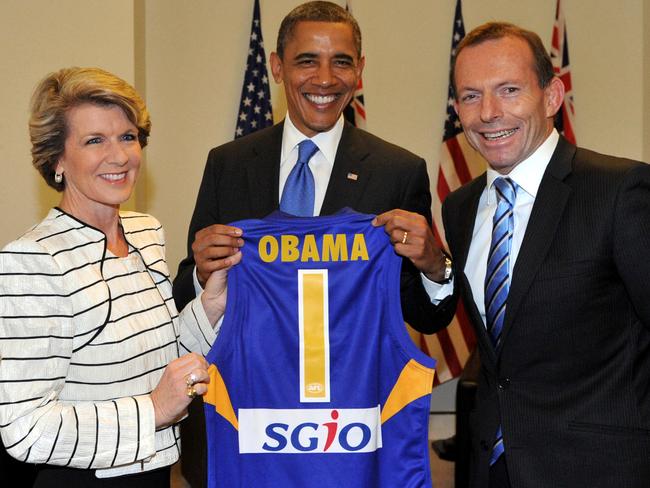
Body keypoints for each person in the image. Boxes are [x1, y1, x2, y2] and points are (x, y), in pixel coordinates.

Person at [172, 2, 456, 485]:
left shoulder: (397, 171)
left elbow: (424, 314)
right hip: (249, 429)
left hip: (349, 444)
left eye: (341, 61)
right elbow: (186, 290)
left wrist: (434, 266)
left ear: (360, 70)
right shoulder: (229, 163)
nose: (325, 78)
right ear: (278, 67)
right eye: (307, 60)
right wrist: (201, 273)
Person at [0, 67, 234, 487]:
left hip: (158, 472)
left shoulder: (146, 231)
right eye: (94, 141)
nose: (120, 156)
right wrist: (154, 410)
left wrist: (211, 305)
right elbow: (23, 428)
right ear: (56, 159)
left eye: (128, 136)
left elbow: (159, 358)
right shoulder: (31, 261)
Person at [442, 22, 650, 488]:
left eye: (509, 90)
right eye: (471, 96)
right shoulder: (460, 208)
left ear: (552, 96)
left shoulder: (619, 191)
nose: (489, 113)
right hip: (492, 467)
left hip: (603, 470)